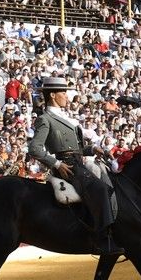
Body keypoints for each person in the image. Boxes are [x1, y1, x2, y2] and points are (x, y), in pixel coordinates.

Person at [28, 76, 119, 254]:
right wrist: (56, 164)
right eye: (63, 92)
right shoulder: (45, 119)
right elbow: (34, 148)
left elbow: (76, 149)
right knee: (100, 189)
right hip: (68, 166)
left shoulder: (62, 117)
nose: (66, 96)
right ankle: (102, 240)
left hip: (76, 162)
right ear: (52, 95)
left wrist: (92, 149)